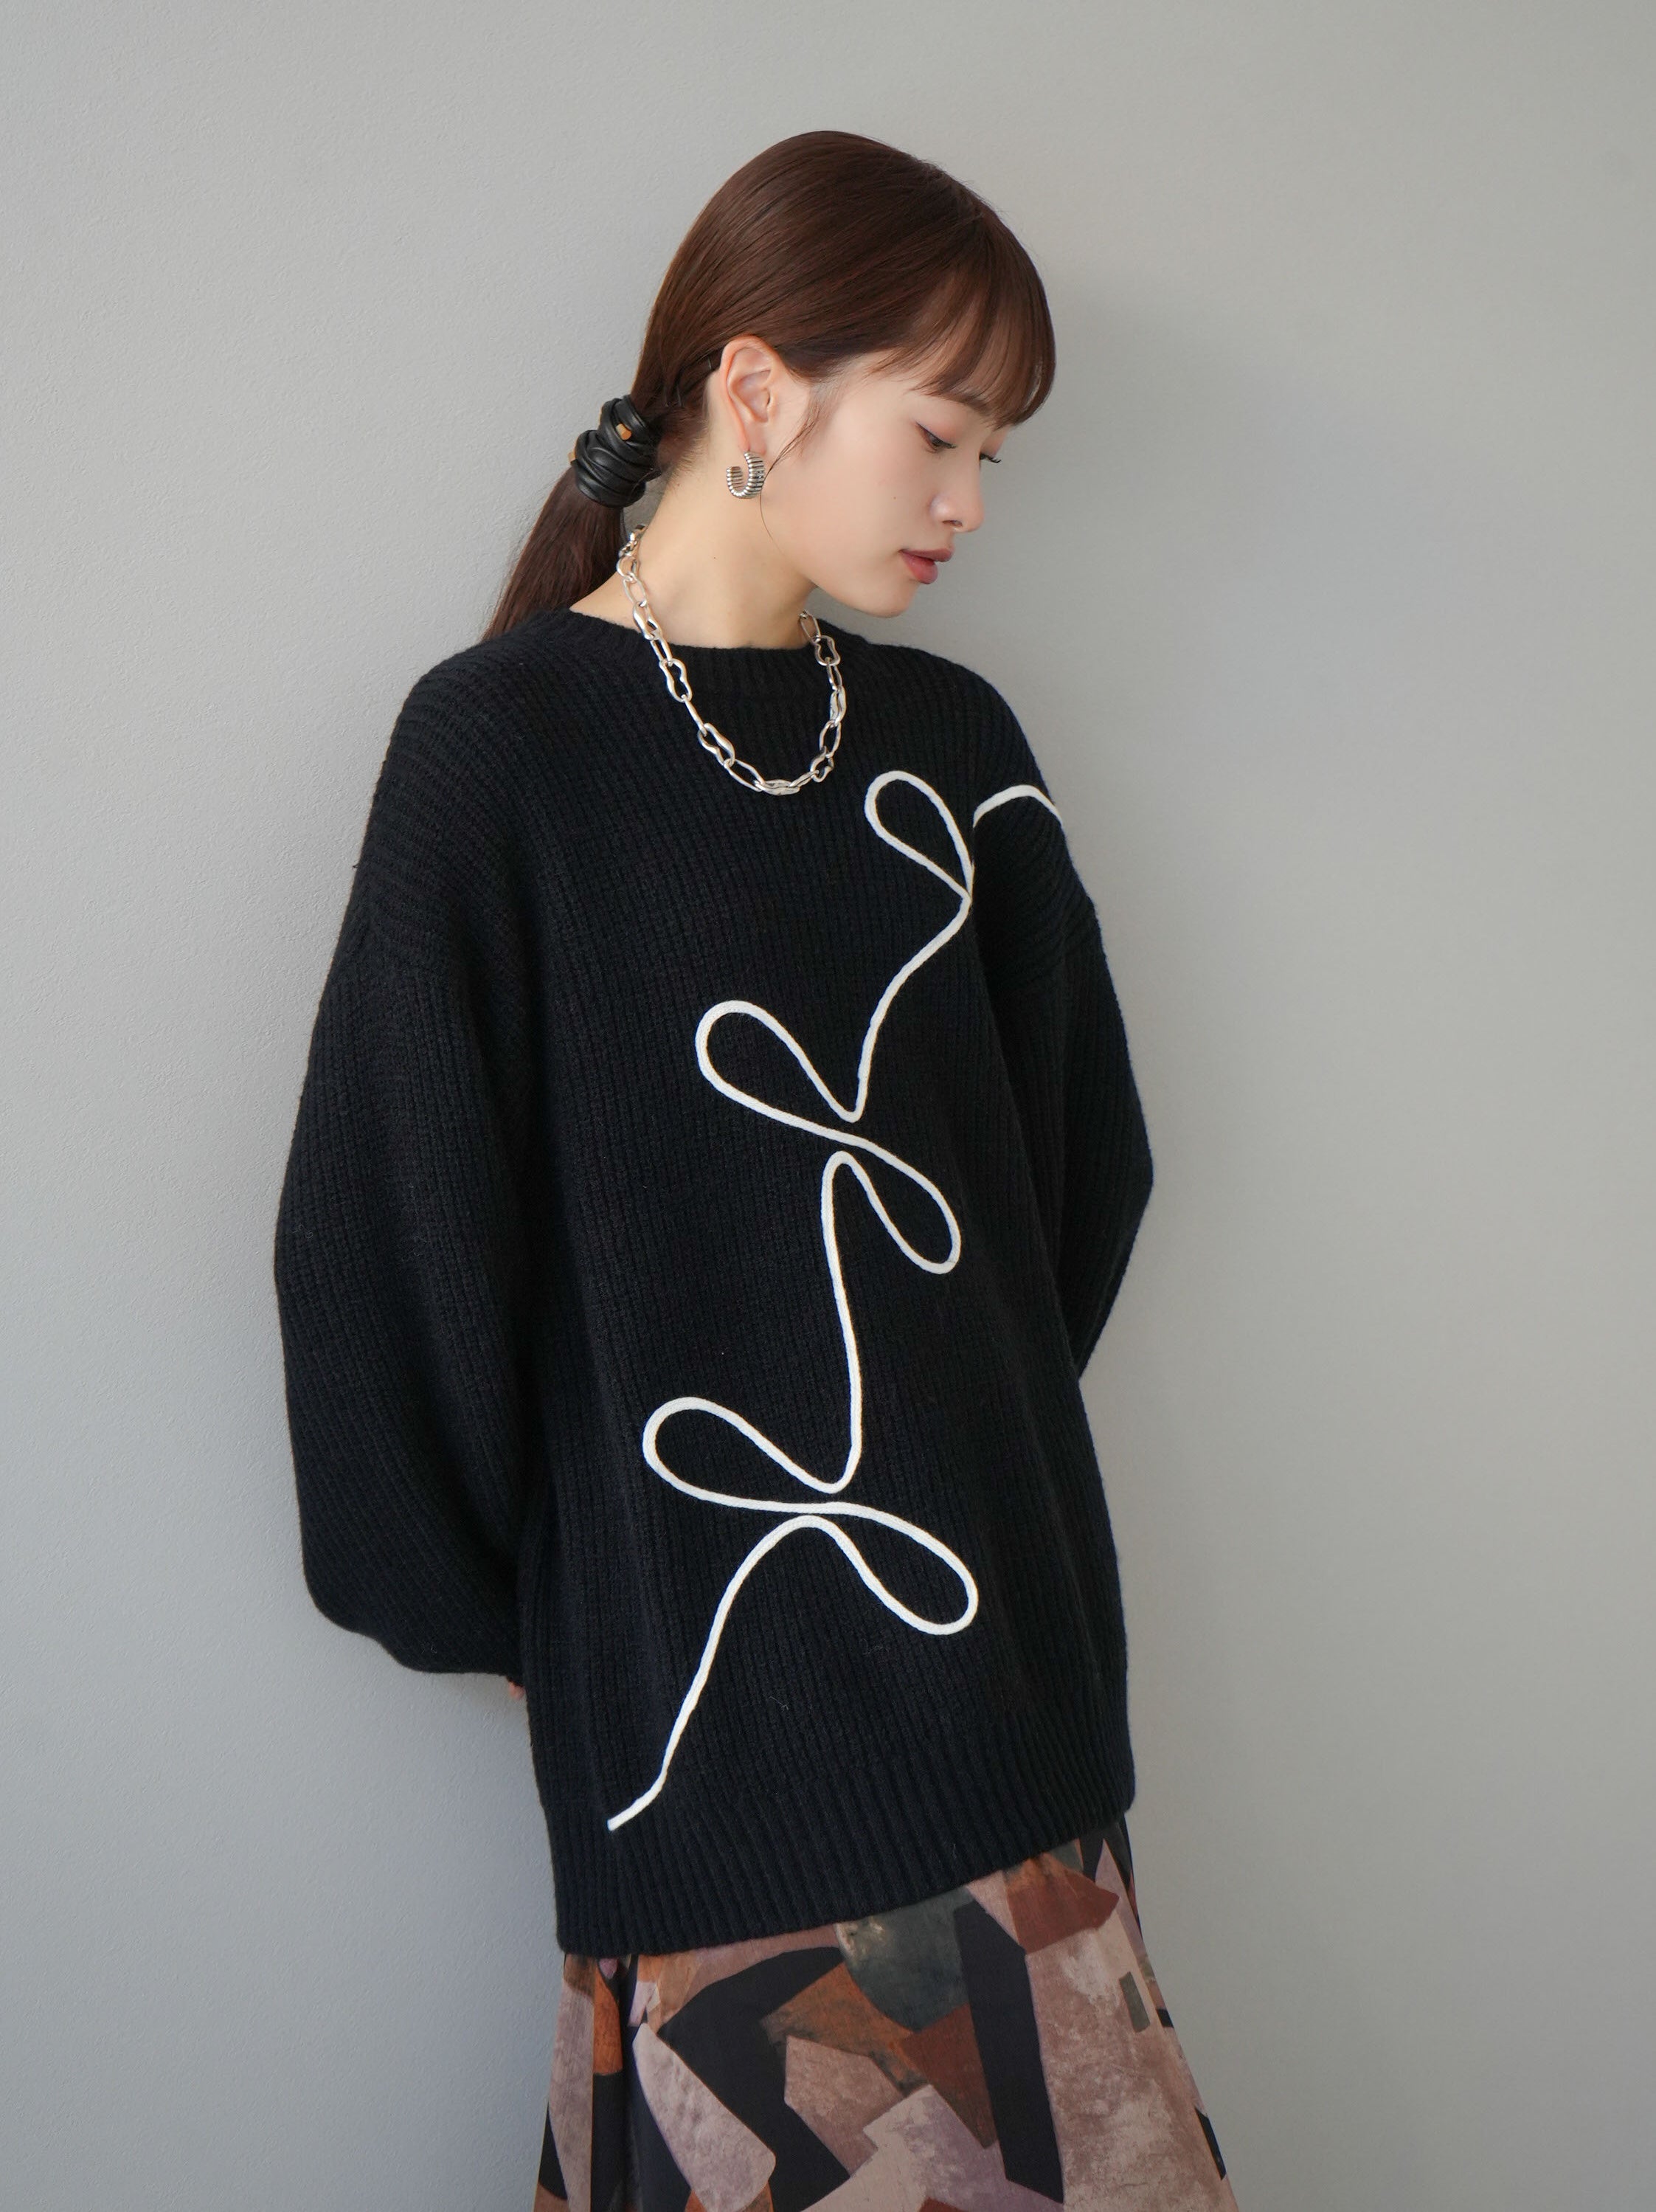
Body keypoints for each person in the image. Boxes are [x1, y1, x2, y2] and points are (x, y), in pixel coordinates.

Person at [273, 128, 1237, 2211]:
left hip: (1007, 1714)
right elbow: (376, 1263)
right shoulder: (498, 755)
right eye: (942, 435)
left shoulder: (956, 752)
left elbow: (1076, 1190)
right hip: (700, 1764)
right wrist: (563, 1607)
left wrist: (933, 1439)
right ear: (758, 389)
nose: (971, 502)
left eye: (995, 456)